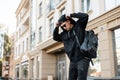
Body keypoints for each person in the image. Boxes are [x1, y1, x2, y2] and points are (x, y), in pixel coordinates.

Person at [53, 12, 89, 80]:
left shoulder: (79, 26)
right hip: (72, 61)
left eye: (64, 25)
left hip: (82, 59)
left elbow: (85, 16)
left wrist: (71, 15)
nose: (64, 28)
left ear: (68, 21)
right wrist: (57, 27)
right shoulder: (63, 35)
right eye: (62, 27)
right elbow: (55, 37)